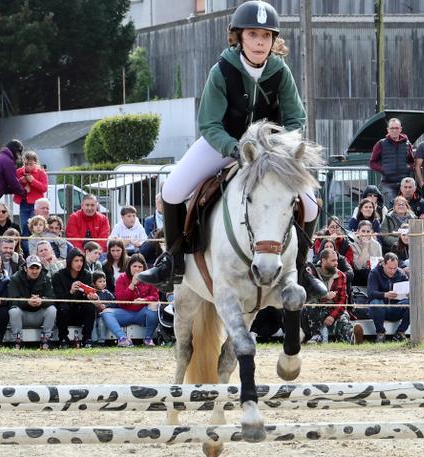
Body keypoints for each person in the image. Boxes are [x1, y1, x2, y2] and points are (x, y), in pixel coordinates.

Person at [137, 1, 322, 300]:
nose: (260, 42)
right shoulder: (222, 70)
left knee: (311, 205)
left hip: (269, 155)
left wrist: (279, 147)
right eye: (253, 35)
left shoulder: (280, 71)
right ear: (239, 37)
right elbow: (209, 123)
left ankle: (302, 268)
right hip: (223, 145)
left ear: (274, 40)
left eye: (266, 36)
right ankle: (171, 261)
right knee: (171, 191)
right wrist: (234, 148)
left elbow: (296, 118)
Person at [302, 248, 359, 344]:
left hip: (334, 308)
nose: (336, 263)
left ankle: (351, 336)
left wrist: (332, 316)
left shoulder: (341, 275)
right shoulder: (312, 274)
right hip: (317, 308)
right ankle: (316, 335)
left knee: (343, 319)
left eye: (336, 260)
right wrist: (325, 296)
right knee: (311, 305)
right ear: (323, 261)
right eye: (333, 260)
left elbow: (342, 300)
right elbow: (308, 296)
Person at [103, 253, 159, 346]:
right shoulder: (121, 278)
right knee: (106, 313)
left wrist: (143, 300)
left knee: (154, 305)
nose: (137, 269)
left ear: (144, 268)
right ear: (129, 266)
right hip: (125, 312)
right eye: (134, 266)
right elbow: (120, 300)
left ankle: (148, 338)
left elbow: (155, 297)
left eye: (140, 267)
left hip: (142, 313)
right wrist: (132, 284)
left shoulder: (149, 278)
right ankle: (123, 339)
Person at [7, 255, 57, 350]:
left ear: (41, 268)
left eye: (37, 268)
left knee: (52, 309)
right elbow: (11, 300)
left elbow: (52, 298)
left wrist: (42, 301)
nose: (34, 271)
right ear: (25, 268)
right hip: (22, 315)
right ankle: (17, 339)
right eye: (31, 268)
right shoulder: (15, 278)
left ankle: (46, 338)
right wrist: (27, 302)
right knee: (13, 311)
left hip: (39, 314)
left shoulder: (46, 278)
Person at [52, 247, 99, 348]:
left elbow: (87, 296)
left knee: (90, 307)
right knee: (63, 307)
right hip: (64, 312)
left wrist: (92, 296)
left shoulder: (86, 275)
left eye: (81, 260)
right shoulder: (58, 276)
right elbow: (58, 299)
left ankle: (87, 338)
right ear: (70, 261)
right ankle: (63, 338)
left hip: (80, 311)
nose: (79, 263)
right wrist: (71, 292)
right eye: (76, 260)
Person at [369, 118, 414, 207]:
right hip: (388, 183)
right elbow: (372, 162)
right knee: (390, 210)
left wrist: (408, 167)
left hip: (404, 185)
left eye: (396, 128)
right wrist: (383, 169)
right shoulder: (381, 144)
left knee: (406, 209)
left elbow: (412, 161)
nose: (394, 130)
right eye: (392, 128)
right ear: (388, 130)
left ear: (401, 129)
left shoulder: (407, 144)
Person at [367, 253, 409, 342]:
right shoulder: (374, 273)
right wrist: (385, 294)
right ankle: (380, 333)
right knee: (375, 303)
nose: (393, 271)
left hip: (396, 307)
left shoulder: (401, 273)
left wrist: (409, 294)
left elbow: (407, 287)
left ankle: (400, 332)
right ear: (383, 264)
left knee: (412, 303)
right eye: (390, 268)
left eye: (395, 268)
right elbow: (371, 293)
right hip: (380, 309)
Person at [12, 151, 47, 236]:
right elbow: (13, 186)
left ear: (36, 163)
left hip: (36, 205)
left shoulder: (41, 172)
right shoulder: (19, 172)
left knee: (36, 226)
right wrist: (21, 181)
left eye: (31, 164)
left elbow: (44, 188)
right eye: (26, 164)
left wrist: (33, 181)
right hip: (23, 203)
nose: (28, 167)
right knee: (24, 226)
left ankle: (36, 247)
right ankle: (25, 248)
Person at [350, 220, 382, 286]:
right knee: (368, 273)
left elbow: (380, 261)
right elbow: (358, 266)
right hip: (359, 273)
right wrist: (365, 247)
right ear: (358, 231)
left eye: (368, 231)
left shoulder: (376, 244)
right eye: (363, 231)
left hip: (374, 271)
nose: (365, 234)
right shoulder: (352, 244)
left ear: (371, 232)